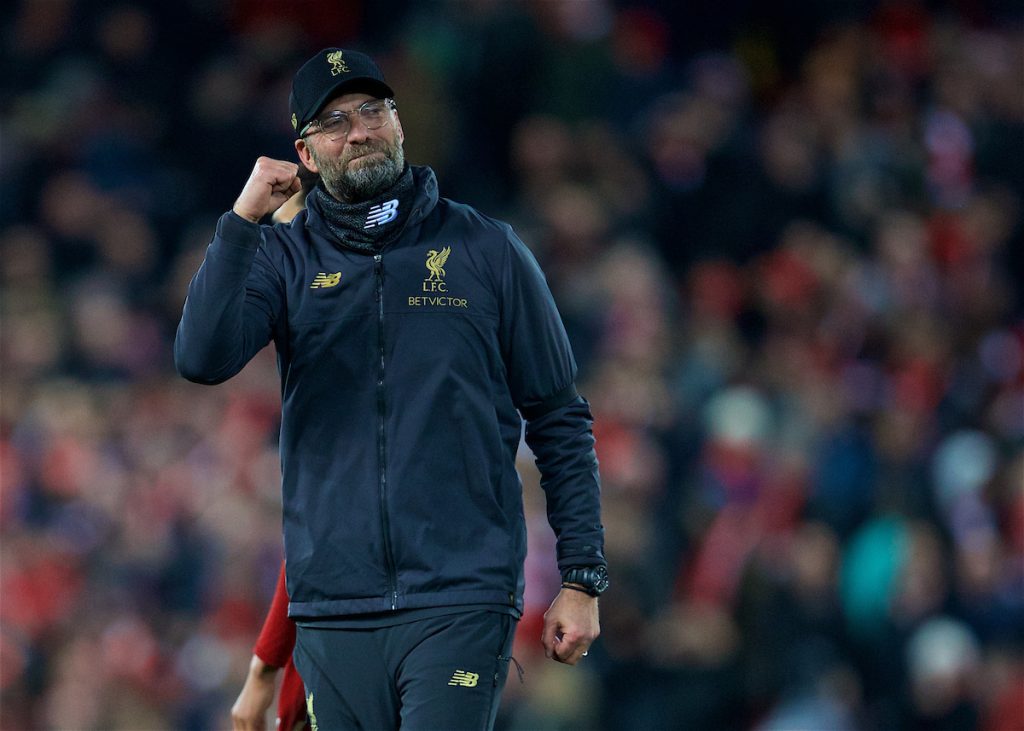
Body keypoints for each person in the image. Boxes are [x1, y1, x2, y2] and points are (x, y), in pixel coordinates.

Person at [175, 47, 607, 730]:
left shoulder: (487, 249)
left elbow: (558, 415)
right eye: (336, 121)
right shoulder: (284, 259)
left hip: (461, 594)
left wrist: (581, 576)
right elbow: (201, 357)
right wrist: (241, 222)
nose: (361, 130)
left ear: (400, 125)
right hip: (333, 607)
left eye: (374, 111)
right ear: (306, 154)